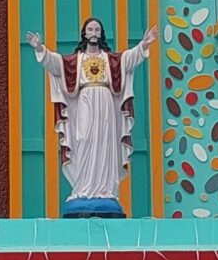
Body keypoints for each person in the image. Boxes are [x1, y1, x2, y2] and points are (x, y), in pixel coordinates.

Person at [25, 16, 157, 209]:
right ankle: (83, 187)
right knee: (83, 140)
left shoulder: (110, 59)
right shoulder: (76, 60)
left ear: (101, 34)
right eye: (90, 30)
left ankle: (105, 190)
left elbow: (129, 58)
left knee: (105, 142)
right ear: (84, 34)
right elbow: (55, 63)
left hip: (105, 102)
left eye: (97, 30)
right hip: (85, 101)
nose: (93, 33)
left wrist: (144, 44)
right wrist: (40, 48)